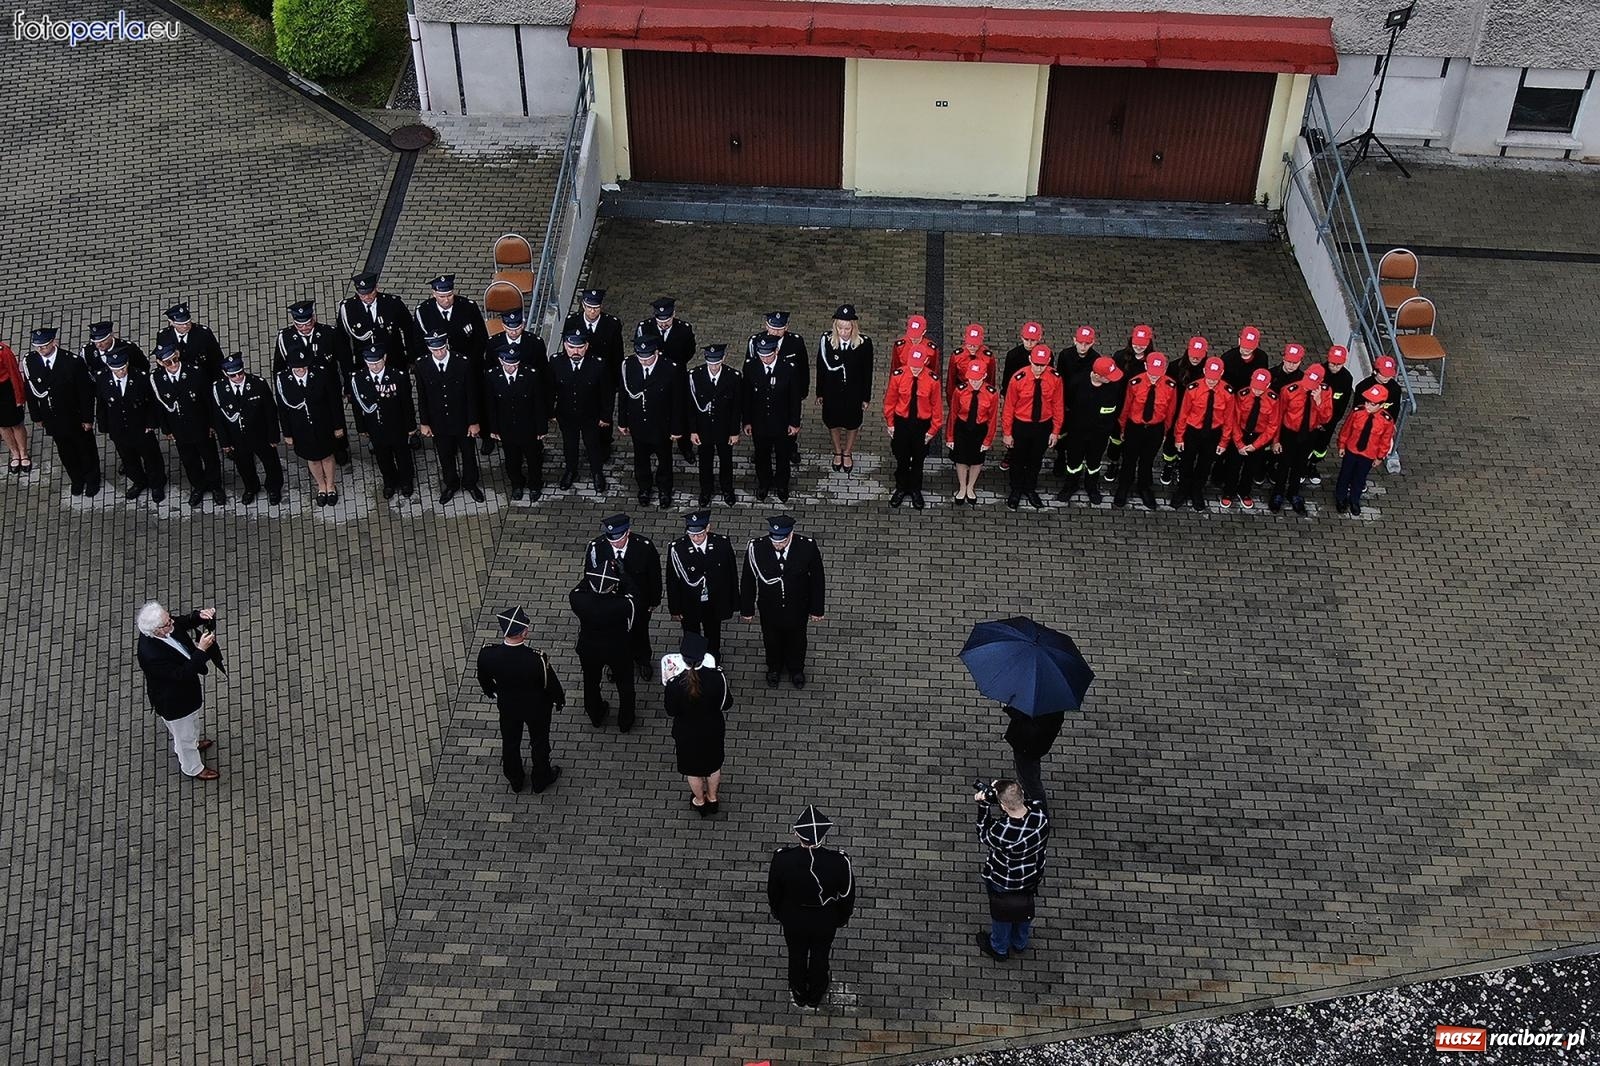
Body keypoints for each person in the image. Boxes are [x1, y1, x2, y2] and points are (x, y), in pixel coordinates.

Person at [767, 805, 855, 1009]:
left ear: (797, 833)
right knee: (820, 954)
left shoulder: (782, 858)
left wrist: (779, 912)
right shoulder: (839, 862)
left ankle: (798, 990)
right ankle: (815, 992)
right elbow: (847, 896)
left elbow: (774, 891)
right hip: (824, 919)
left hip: (793, 917)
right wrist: (840, 918)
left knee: (796, 953)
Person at [477, 606, 565, 794]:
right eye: (526, 628)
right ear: (522, 633)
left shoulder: (487, 654)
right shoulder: (536, 659)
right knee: (539, 742)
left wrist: (493, 692)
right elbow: (550, 683)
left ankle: (515, 780)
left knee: (510, 742)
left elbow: (483, 678)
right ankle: (541, 779)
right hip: (536, 708)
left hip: (508, 706)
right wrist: (559, 699)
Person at [135, 601, 221, 781]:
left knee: (190, 728)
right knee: (184, 737)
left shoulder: (162, 627)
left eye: (169, 618)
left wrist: (197, 617)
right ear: (157, 630)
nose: (172, 623)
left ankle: (194, 743)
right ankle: (193, 768)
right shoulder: (150, 655)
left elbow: (180, 622)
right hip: (175, 702)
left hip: (185, 696)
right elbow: (181, 674)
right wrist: (201, 650)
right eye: (168, 623)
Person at [740, 514, 825, 688]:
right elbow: (748, 579)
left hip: (798, 605)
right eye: (774, 541)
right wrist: (747, 609)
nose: (777, 545)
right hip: (770, 606)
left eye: (782, 541)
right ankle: (774, 668)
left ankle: (796, 669)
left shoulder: (806, 547)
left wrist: (817, 609)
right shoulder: (756, 547)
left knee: (798, 639)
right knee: (771, 639)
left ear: (791, 535)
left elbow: (818, 579)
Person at [414, 274, 492, 454]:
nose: (446, 299)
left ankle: (485, 435)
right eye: (442, 296)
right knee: (441, 402)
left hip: (469, 366)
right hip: (439, 366)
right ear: (434, 294)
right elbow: (417, 342)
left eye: (449, 295)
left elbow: (480, 339)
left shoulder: (468, 307)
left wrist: (469, 364)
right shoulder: (424, 312)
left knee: (476, 400)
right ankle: (444, 436)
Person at [974, 779, 1049, 962]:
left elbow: (983, 834)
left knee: (1002, 914)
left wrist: (983, 805)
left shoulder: (1003, 830)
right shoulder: (1040, 816)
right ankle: (1020, 942)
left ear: (1003, 806)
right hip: (1031, 876)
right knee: (1023, 910)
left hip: (1004, 880)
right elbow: (1028, 801)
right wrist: (1006, 793)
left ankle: (999, 948)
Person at [275, 301, 353, 469]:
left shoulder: (328, 333)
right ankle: (314, 452)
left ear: (314, 319)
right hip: (301, 388)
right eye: (299, 325)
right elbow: (279, 369)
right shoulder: (286, 338)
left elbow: (345, 361)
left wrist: (348, 386)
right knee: (309, 420)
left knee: (335, 415)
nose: (304, 328)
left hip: (329, 387)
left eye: (308, 324)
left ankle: (340, 446)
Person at [662, 632, 733, 815]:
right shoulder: (717, 677)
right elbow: (726, 704)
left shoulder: (675, 684)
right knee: (713, 766)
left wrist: (670, 681)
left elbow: (671, 711)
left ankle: (699, 801)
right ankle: (712, 798)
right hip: (712, 730)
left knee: (693, 770)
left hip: (687, 733)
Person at [25, 327, 100, 496]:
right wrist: (36, 415)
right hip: (52, 418)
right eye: (38, 347)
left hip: (74, 416)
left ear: (54, 342)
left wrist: (88, 418)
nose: (41, 350)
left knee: (85, 449)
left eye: (44, 346)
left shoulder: (72, 362)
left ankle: (92, 479)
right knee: (65, 451)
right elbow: (30, 390)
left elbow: (85, 393)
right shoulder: (30, 361)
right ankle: (77, 479)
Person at [586, 513, 662, 679]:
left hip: (638, 603)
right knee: (613, 636)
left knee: (640, 632)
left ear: (628, 532)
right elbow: (589, 576)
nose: (615, 543)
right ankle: (615, 664)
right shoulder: (596, 547)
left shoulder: (644, 546)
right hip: (610, 603)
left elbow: (654, 576)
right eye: (611, 540)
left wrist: (654, 601)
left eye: (618, 539)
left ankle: (643, 660)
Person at [150, 342, 225, 506]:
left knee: (210, 458)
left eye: (175, 360)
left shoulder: (195, 373)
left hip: (201, 426)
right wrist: (166, 429)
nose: (173, 365)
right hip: (179, 430)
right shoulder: (156, 378)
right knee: (189, 460)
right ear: (161, 363)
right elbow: (159, 406)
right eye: (168, 362)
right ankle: (198, 485)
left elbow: (209, 401)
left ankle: (215, 486)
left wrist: (212, 424)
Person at [413, 331, 484, 504]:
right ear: (429, 348)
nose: (439, 353)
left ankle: (470, 483)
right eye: (435, 350)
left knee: (468, 454)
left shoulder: (462, 362)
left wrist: (473, 422)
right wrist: (424, 423)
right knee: (445, 455)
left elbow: (471, 395)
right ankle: (451, 484)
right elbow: (422, 396)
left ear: (447, 345)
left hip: (462, 419)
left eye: (442, 348)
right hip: (439, 421)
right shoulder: (422, 365)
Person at [568, 560, 638, 732]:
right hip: (618, 649)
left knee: (591, 682)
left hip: (589, 649)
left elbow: (580, 587)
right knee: (625, 684)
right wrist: (623, 575)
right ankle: (625, 720)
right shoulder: (622, 604)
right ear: (613, 586)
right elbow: (634, 596)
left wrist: (595, 574)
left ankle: (596, 714)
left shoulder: (578, 599)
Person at [617, 336, 684, 508]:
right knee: (641, 459)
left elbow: (678, 402)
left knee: (664, 460)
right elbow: (624, 396)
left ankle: (664, 490)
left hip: (662, 425)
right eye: (641, 358)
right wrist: (622, 421)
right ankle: (644, 488)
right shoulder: (628, 365)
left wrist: (676, 428)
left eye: (648, 358)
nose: (644, 362)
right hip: (638, 424)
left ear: (656, 352)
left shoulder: (670, 368)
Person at [275, 350, 346, 506]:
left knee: (327, 456)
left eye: (303, 366)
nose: (301, 370)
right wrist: (287, 433)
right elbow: (282, 409)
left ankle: (330, 485)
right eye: (296, 367)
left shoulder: (320, 374)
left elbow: (333, 402)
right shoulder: (283, 379)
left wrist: (338, 425)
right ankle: (321, 485)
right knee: (313, 459)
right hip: (301, 428)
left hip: (323, 424)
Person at [94, 348, 166, 503]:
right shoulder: (102, 379)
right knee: (128, 459)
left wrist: (151, 423)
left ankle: (157, 484)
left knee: (151, 458)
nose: (121, 372)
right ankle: (139, 481)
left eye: (123, 367)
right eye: (117, 369)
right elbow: (101, 404)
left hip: (141, 427)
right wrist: (104, 426)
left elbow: (153, 402)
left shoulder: (141, 377)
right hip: (119, 429)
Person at [563, 288, 626, 463]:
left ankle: (604, 444)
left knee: (604, 413)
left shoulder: (611, 324)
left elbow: (617, 355)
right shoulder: (573, 322)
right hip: (581, 374)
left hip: (604, 377)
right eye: (589, 307)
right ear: (583, 305)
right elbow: (567, 349)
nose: (592, 311)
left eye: (596, 307)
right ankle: (589, 444)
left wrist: (617, 382)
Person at [212, 353, 284, 505]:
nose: (238, 377)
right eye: (233, 375)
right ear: (226, 374)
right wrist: (224, 442)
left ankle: (274, 488)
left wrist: (273, 436)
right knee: (244, 465)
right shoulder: (219, 388)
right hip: (237, 437)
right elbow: (218, 418)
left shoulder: (258, 384)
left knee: (271, 464)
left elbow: (270, 411)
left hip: (260, 434)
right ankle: (251, 487)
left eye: (240, 373)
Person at [484, 334, 548, 502]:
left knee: (534, 459)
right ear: (500, 360)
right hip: (507, 428)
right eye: (507, 364)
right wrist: (493, 428)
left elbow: (538, 404)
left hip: (529, 427)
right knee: (512, 460)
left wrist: (542, 428)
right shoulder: (492, 376)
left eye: (514, 364)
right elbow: (490, 405)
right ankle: (517, 485)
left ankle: (535, 485)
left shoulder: (531, 375)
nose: (510, 367)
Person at [548, 328, 613, 492]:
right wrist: (551, 412)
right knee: (570, 445)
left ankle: (597, 473)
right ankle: (570, 471)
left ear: (586, 346)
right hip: (566, 415)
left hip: (591, 415)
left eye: (579, 347)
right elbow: (549, 389)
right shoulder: (556, 362)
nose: (575, 351)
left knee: (593, 445)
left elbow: (607, 393)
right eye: (571, 347)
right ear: (564, 345)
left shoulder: (598, 364)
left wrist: (606, 416)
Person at [349, 346, 418, 500]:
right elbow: (356, 406)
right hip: (375, 426)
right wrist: (361, 427)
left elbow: (407, 404)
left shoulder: (398, 376)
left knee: (403, 455)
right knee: (382, 456)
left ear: (385, 359)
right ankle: (389, 481)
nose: (374, 366)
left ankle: (406, 481)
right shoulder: (358, 378)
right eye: (370, 363)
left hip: (397, 425)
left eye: (378, 362)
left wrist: (411, 426)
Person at [666, 510, 739, 656]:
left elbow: (731, 574)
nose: (696, 538)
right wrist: (675, 608)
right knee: (691, 633)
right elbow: (672, 581)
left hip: (714, 601)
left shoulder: (722, 544)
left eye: (699, 534)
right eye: (692, 534)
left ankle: (713, 658)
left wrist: (734, 602)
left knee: (713, 632)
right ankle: (693, 662)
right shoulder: (677, 548)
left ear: (708, 528)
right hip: (689, 602)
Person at [1000, 344, 1063, 510]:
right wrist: (1007, 432)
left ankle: (1030, 488)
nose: (1038, 368)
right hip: (1021, 425)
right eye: (1036, 364)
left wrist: (1055, 431)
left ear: (1049, 361)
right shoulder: (1018, 378)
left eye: (1042, 364)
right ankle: (1016, 489)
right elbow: (1009, 407)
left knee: (1035, 460)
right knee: (1017, 459)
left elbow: (1058, 405)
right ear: (1030, 360)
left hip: (1043, 425)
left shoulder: (1055, 378)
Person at [1056, 355, 1125, 505]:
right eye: (1107, 377)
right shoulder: (1076, 383)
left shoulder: (1114, 386)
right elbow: (1066, 405)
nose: (1111, 379)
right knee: (1073, 462)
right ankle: (1070, 485)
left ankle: (1091, 486)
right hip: (1077, 433)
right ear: (1096, 375)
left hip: (1100, 434)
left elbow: (1118, 407)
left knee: (1094, 463)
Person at [742, 334, 802, 503]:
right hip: (759, 422)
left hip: (782, 422)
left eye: (768, 355)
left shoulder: (788, 368)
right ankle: (764, 483)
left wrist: (794, 423)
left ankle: (782, 485)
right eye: (761, 355)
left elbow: (794, 399)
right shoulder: (751, 367)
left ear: (776, 351)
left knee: (783, 456)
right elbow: (746, 396)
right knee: (762, 456)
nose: (765, 359)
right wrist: (746, 420)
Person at [883, 343, 943, 509]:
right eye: (912, 366)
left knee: (918, 459)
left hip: (921, 425)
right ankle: (901, 487)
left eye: (918, 366)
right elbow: (890, 402)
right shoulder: (898, 375)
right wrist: (890, 423)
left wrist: (932, 430)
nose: (915, 369)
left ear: (925, 361)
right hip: (902, 422)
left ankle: (916, 489)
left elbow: (936, 407)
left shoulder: (932, 380)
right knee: (901, 457)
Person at [636, 298, 697, 460]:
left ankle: (685, 446)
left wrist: (672, 367)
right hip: (653, 378)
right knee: (652, 410)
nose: (663, 324)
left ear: (674, 315)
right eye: (660, 320)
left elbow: (689, 352)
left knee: (680, 411)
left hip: (677, 377)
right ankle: (651, 444)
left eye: (667, 320)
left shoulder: (684, 329)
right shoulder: (645, 327)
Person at [1114, 352, 1176, 510]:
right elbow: (1127, 407)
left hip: (1155, 429)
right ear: (1146, 366)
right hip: (1135, 427)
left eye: (1158, 373)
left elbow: (1170, 411)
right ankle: (1124, 486)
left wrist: (1164, 431)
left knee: (1147, 461)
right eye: (1152, 372)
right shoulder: (1135, 383)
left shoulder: (1170, 386)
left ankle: (1144, 487)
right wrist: (1122, 427)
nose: (1155, 377)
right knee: (1128, 460)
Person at [1170, 356, 1233, 512]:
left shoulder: (1228, 393)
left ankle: (1197, 490)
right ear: (1204, 371)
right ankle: (1182, 489)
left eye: (1215, 378)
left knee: (1205, 465)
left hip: (1213, 433)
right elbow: (1183, 414)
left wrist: (1223, 442)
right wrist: (1179, 437)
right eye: (1209, 377)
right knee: (1186, 463)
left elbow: (1228, 419)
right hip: (1192, 432)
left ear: (1222, 373)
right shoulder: (1193, 388)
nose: (1211, 381)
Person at [815, 304, 873, 474]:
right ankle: (837, 451)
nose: (843, 331)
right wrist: (820, 392)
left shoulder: (864, 343)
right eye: (840, 328)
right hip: (832, 391)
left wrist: (865, 397)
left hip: (853, 392)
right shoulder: (826, 340)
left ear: (853, 327)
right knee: (833, 422)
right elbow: (821, 368)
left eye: (847, 328)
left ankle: (847, 451)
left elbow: (867, 372)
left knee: (852, 423)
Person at [746, 310, 809, 465]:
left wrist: (802, 392)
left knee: (789, 425)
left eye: (779, 329)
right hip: (762, 393)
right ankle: (760, 450)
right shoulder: (756, 341)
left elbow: (803, 369)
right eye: (772, 328)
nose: (775, 332)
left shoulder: (795, 342)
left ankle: (791, 448)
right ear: (766, 325)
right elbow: (748, 369)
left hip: (786, 393)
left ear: (786, 327)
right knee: (761, 428)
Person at [1271, 363, 1332, 515]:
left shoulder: (1325, 392)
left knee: (1300, 465)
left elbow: (1326, 418)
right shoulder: (1289, 390)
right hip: (1289, 433)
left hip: (1309, 433)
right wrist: (1276, 440)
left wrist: (1319, 402)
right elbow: (1278, 416)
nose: (1307, 387)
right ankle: (1277, 493)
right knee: (1284, 465)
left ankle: (1294, 494)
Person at [685, 344, 742, 506]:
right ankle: (706, 490)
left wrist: (734, 432)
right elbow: (691, 406)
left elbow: (736, 407)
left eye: (717, 362)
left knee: (726, 460)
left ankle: (727, 489)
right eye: (710, 363)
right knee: (704, 461)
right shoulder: (695, 375)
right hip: (703, 429)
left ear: (723, 359)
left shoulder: (733, 376)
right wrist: (693, 430)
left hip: (724, 429)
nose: (714, 366)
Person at [1218, 367, 1280, 510]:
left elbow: (1272, 426)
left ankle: (1244, 492)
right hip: (1241, 433)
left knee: (1251, 468)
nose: (1257, 391)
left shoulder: (1273, 400)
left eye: (1260, 389)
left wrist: (1256, 445)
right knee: (1233, 466)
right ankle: (1228, 492)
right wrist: (1239, 443)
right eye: (1255, 388)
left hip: (1259, 437)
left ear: (1268, 386)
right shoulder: (1242, 395)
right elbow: (1234, 419)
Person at [1335, 384, 1397, 516]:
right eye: (1367, 402)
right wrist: (1341, 445)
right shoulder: (1357, 412)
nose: (1368, 405)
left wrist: (1380, 457)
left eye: (1373, 404)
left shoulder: (1386, 421)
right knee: (1345, 474)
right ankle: (1340, 498)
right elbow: (1346, 429)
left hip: (1368, 455)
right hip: (1351, 450)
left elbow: (1385, 440)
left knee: (1360, 478)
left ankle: (1354, 500)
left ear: (1381, 405)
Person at [338, 272, 419, 370]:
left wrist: (411, 357)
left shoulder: (392, 303)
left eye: (370, 292)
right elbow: (342, 340)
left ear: (376, 287)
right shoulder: (347, 308)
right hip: (365, 363)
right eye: (362, 294)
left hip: (393, 359)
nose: (367, 297)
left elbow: (409, 330)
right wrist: (349, 367)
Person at [946, 357, 999, 504]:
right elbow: (953, 414)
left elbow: (992, 418)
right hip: (962, 428)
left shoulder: (991, 394)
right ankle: (962, 487)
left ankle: (971, 487)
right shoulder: (960, 391)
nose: (973, 382)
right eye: (971, 379)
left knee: (977, 459)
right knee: (961, 458)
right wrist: (950, 436)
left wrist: (988, 440)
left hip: (979, 429)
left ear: (984, 376)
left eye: (977, 379)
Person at [1161, 337, 1211, 486]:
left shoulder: (1207, 371)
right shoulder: (1175, 367)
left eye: (1199, 355)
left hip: (1196, 414)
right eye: (1193, 353)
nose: (1195, 358)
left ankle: (1181, 464)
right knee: (1171, 441)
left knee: (1187, 443)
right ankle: (1169, 464)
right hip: (1176, 411)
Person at [999, 321, 1045, 473]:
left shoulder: (1045, 355)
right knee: (1012, 427)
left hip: (1036, 397)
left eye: (1033, 340)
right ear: (1021, 337)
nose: (1029, 343)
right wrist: (1006, 396)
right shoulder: (1013, 355)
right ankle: (1011, 453)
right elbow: (1007, 379)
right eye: (1026, 339)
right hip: (1017, 395)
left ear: (1039, 338)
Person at [1305, 344, 1354, 486]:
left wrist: (1329, 422)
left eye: (1338, 364)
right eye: (1333, 363)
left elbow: (1342, 405)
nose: (1334, 366)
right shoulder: (1318, 372)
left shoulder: (1346, 379)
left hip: (1329, 422)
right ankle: (1301, 467)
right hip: (1312, 420)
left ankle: (1312, 465)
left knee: (1320, 448)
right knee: (1306, 444)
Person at [1005, 708, 1065, 811]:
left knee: (1030, 783)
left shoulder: (1040, 714)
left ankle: (1040, 813)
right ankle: (1030, 802)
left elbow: (1027, 727)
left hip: (1026, 748)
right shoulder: (1055, 708)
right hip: (1035, 747)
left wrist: (1011, 709)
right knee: (1031, 776)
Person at [155, 303, 224, 381]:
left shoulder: (204, 333)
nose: (185, 326)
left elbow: (217, 357)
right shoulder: (163, 336)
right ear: (171, 322)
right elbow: (162, 360)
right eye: (180, 324)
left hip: (202, 377)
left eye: (188, 322)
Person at [0, 340, 31, 475]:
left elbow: (14, 374)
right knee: (3, 425)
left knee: (16, 424)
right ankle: (14, 453)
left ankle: (23, 453)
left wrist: (19, 397)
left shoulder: (3, 351)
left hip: (6, 391)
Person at [82, 320, 148, 378]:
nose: (99, 345)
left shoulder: (129, 349)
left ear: (111, 335)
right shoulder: (88, 351)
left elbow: (144, 366)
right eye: (95, 342)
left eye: (103, 341)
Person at [1220, 325, 1265, 392]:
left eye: (1250, 346)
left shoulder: (1262, 358)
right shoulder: (1227, 359)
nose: (1247, 349)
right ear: (1239, 341)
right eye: (1245, 345)